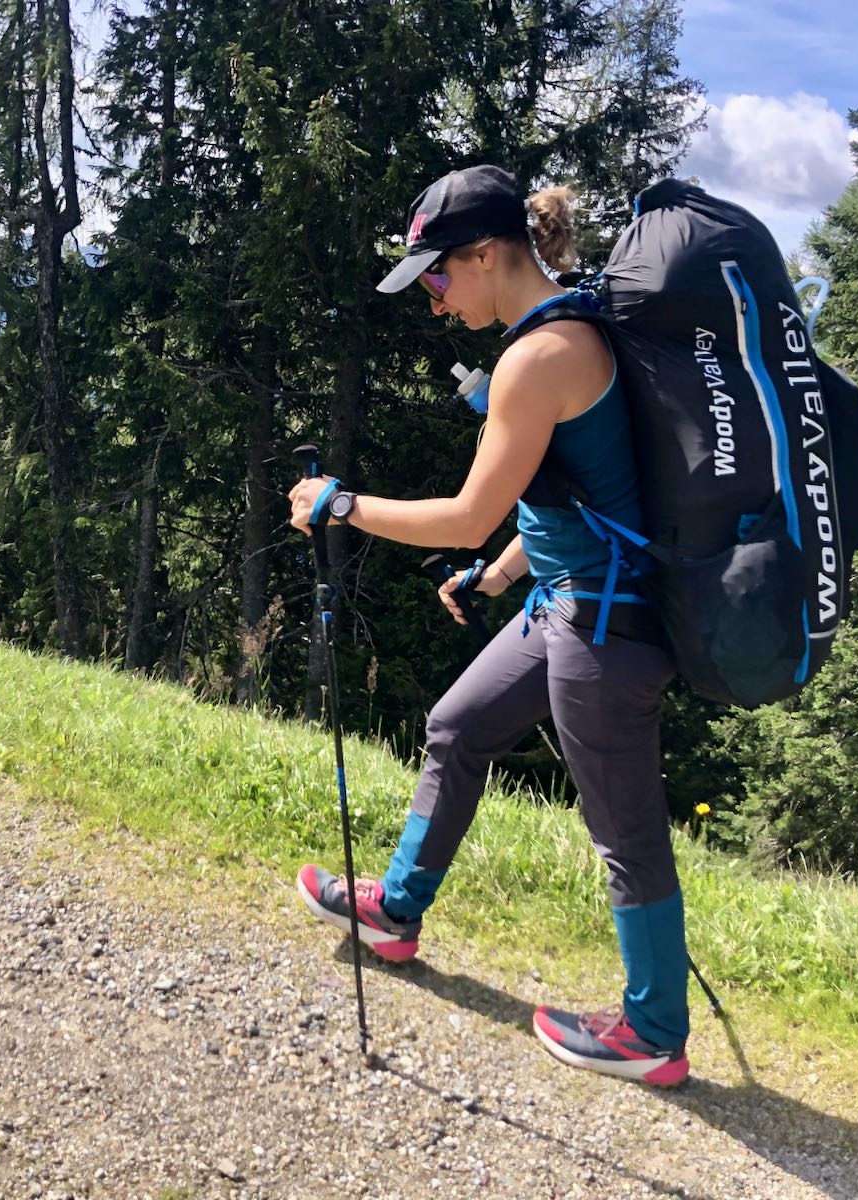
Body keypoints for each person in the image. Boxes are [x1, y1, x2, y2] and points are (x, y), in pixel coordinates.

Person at [288, 164, 690, 1088]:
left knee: (624, 829)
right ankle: (395, 909)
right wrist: (502, 574)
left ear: (483, 254)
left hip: (607, 627)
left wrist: (342, 504)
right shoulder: (563, 330)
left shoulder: (539, 357)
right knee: (458, 727)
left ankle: (654, 1033)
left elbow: (470, 512)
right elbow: (572, 492)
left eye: (436, 276)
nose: (433, 299)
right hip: (569, 602)